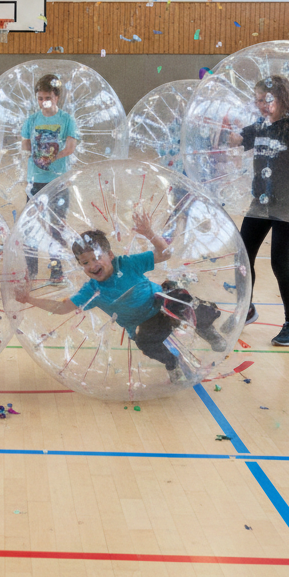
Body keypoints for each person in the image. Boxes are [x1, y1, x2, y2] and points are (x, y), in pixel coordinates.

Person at [14, 210, 226, 379]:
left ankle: (207, 330)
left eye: (96, 258)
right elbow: (62, 308)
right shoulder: (92, 291)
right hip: (145, 324)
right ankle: (172, 363)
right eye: (85, 262)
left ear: (110, 255)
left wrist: (149, 233)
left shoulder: (127, 263)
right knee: (146, 343)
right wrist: (29, 299)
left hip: (162, 304)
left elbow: (165, 254)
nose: (92, 265)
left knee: (182, 299)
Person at [227, 74, 289, 347]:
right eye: (257, 100)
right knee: (243, 257)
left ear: (281, 97)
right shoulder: (260, 126)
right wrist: (230, 136)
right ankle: (246, 309)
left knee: (279, 262)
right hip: (260, 202)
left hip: (288, 204)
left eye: (265, 99)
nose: (260, 105)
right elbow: (238, 139)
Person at [20, 73, 78, 281]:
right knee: (30, 226)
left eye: (48, 98)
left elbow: (70, 147)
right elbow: (26, 146)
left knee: (56, 227)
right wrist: (37, 158)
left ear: (56, 97)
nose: (43, 102)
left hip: (57, 181)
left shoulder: (67, 120)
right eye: (40, 98)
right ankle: (32, 269)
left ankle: (56, 269)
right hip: (35, 180)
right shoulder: (31, 120)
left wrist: (52, 157)